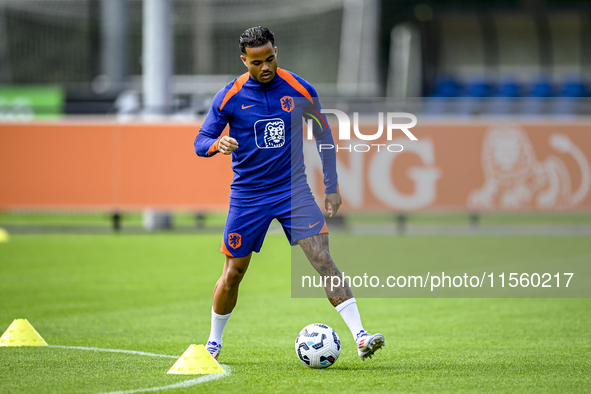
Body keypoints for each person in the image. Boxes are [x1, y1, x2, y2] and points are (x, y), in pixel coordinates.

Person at [194, 26, 384, 361]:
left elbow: (324, 134)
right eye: (256, 62)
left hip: (291, 190)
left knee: (323, 260)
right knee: (234, 273)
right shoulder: (229, 96)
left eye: (270, 59)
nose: (265, 67)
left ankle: (360, 336)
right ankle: (213, 342)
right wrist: (216, 144)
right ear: (244, 60)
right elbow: (200, 141)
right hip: (248, 195)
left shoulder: (299, 88)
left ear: (276, 51)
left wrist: (332, 187)